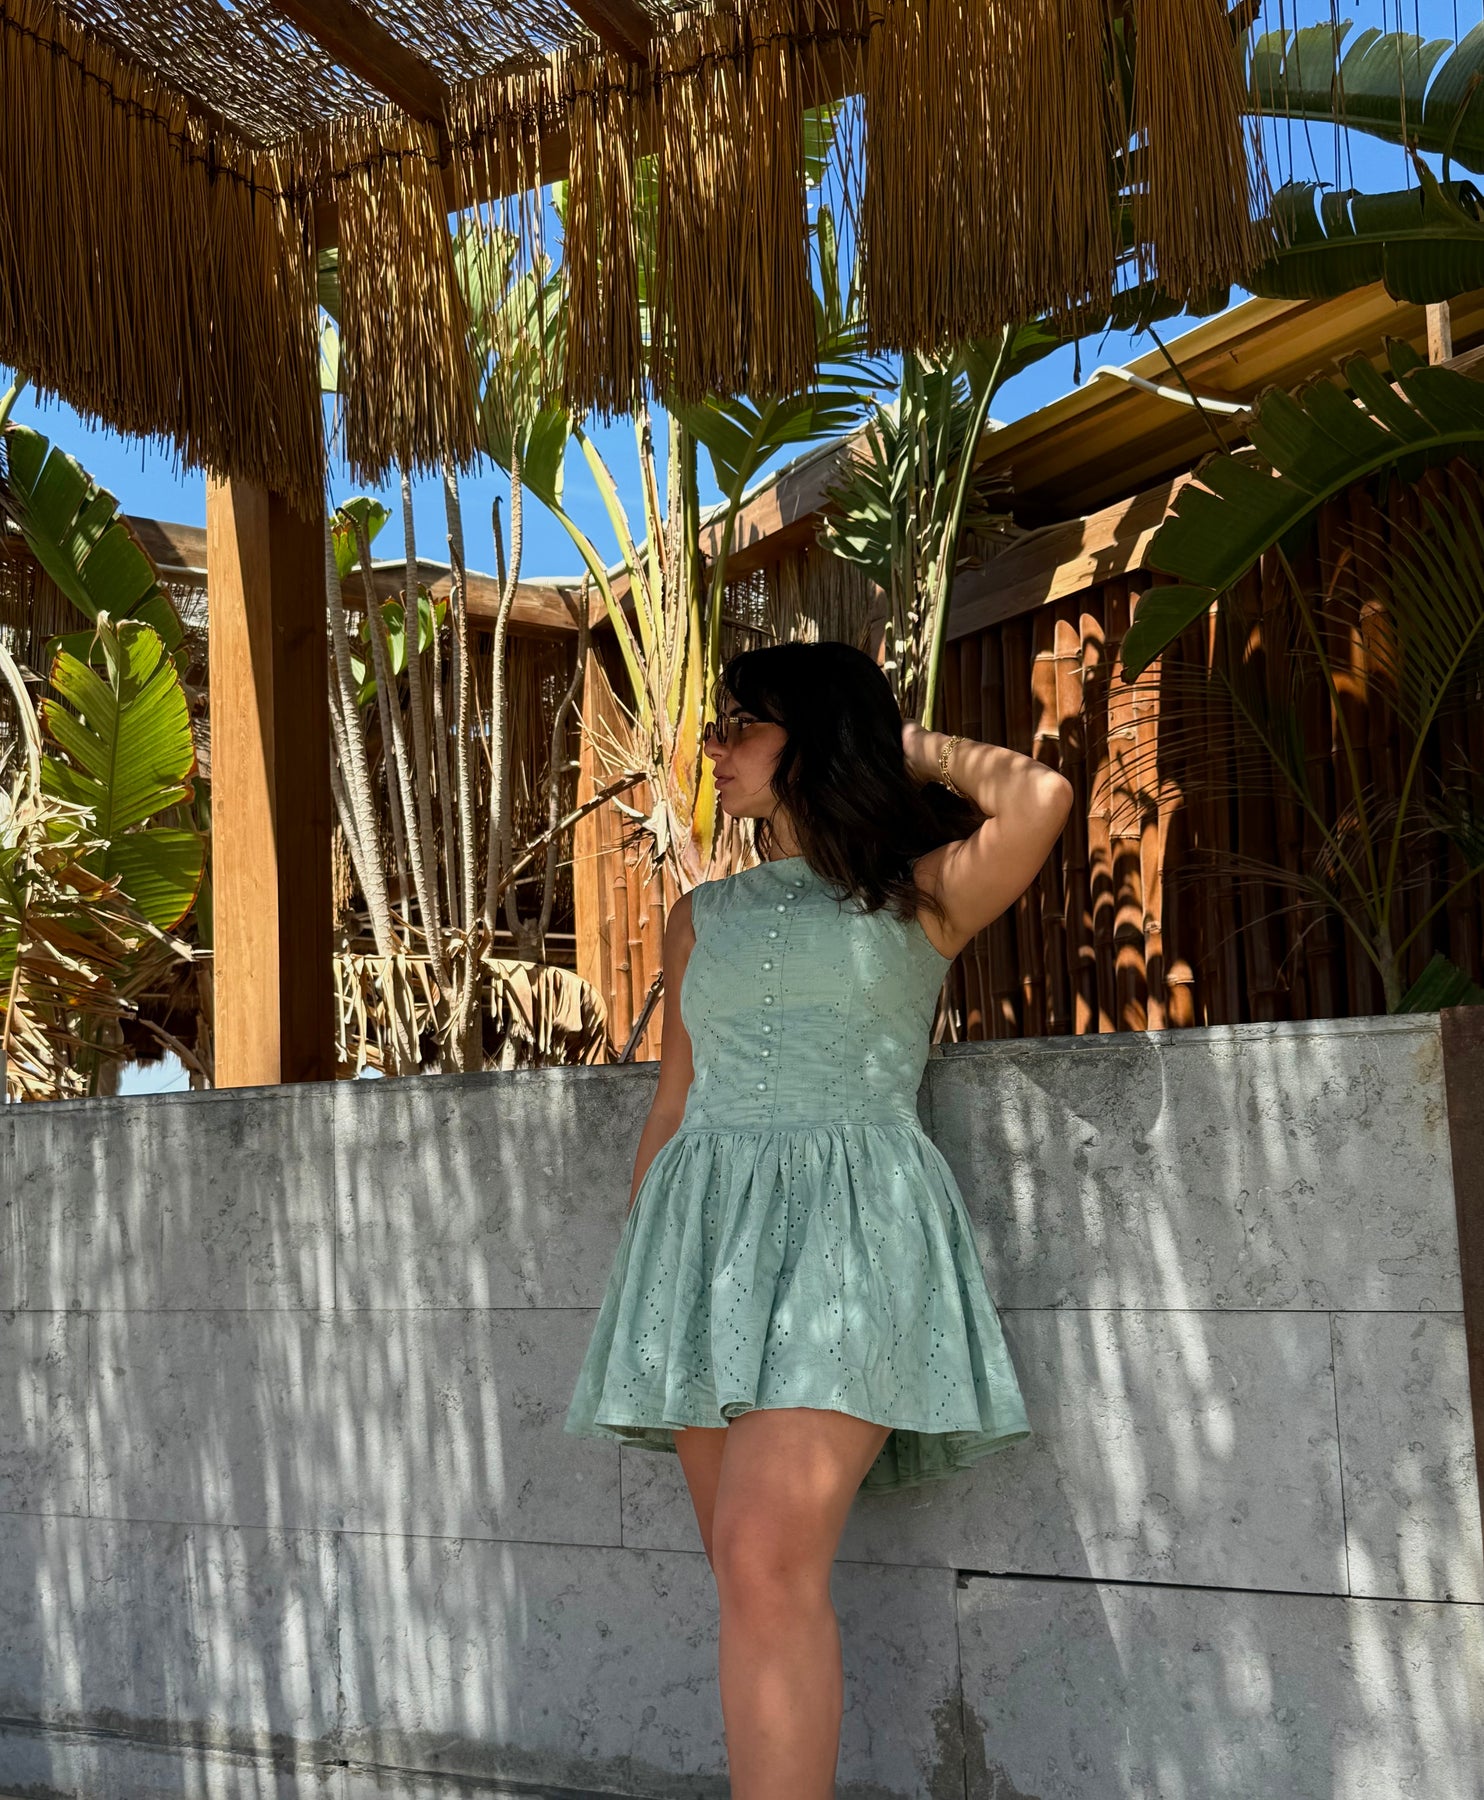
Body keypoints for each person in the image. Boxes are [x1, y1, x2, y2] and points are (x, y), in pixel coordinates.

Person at [564, 639, 1074, 1798]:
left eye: (739, 725)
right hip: (701, 1245)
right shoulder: (699, 916)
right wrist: (645, 1269)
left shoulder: (919, 892)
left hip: (852, 1235)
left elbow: (1039, 797)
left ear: (814, 739)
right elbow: (674, 1100)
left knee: (761, 1557)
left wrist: (902, 745)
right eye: (715, 727)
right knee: (747, 1579)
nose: (712, 748)